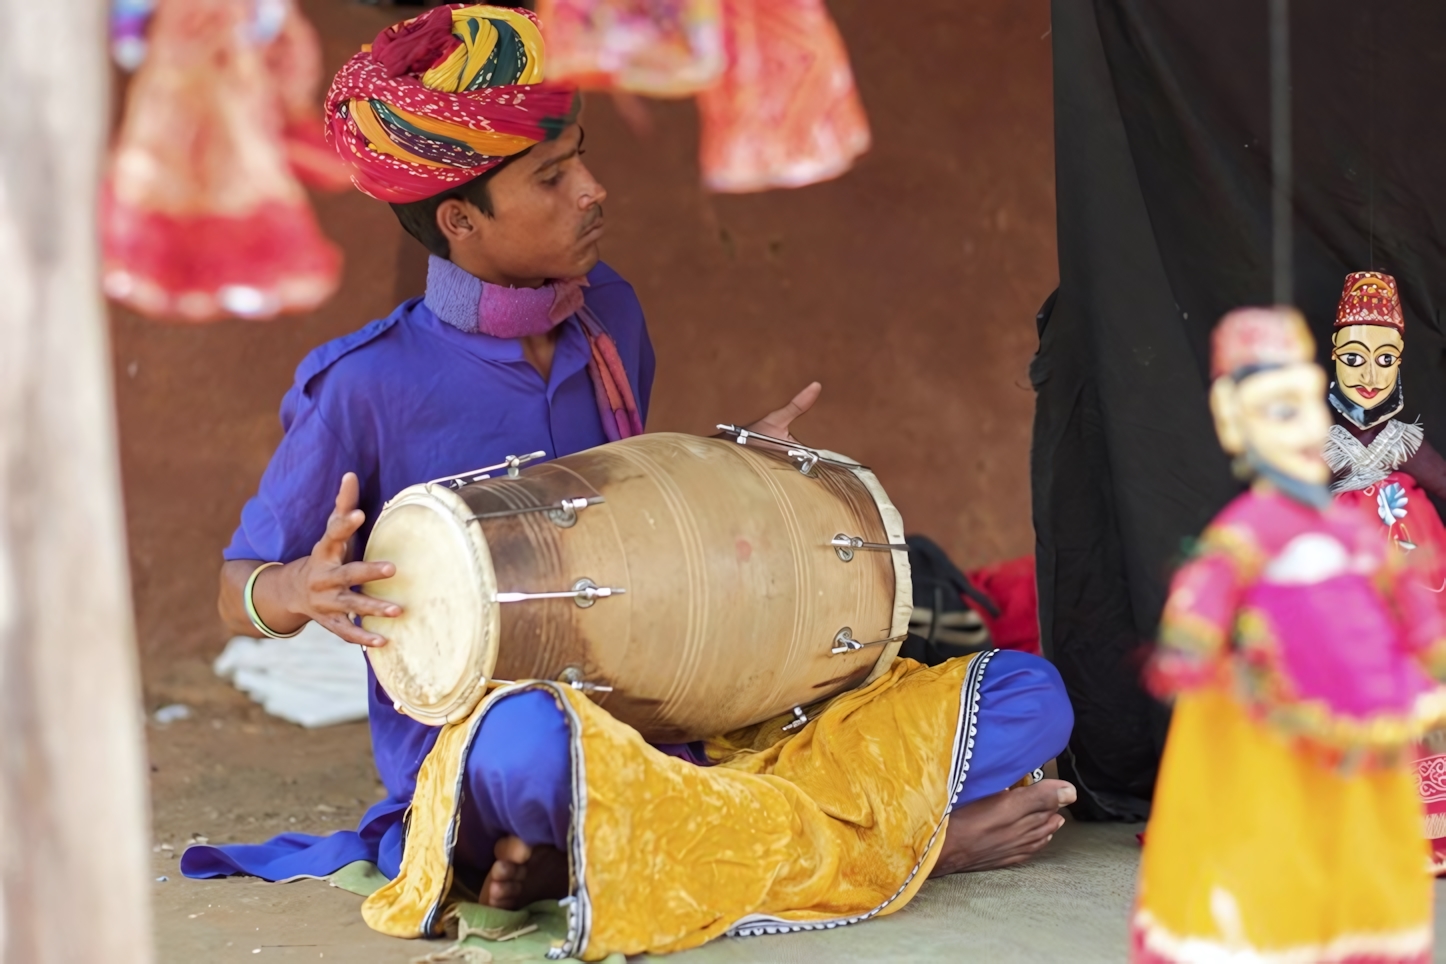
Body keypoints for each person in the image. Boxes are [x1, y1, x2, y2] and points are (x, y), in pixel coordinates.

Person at [182, 6, 1075, 957]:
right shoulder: (361, 386)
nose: (594, 191)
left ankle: (630, 843)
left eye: (583, 158)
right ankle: (900, 843)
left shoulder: (611, 317)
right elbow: (237, 591)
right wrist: (296, 590)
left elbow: (638, 530)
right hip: (496, 738)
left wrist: (746, 480)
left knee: (1028, 694)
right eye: (553, 177)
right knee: (534, 756)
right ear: (459, 219)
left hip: (678, 714)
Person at [1133, 306, 1445, 964]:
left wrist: (1431, 647)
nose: (1306, 429)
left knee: (1361, 809)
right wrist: (1194, 642)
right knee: (1277, 807)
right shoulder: (1255, 527)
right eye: (1281, 411)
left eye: (1304, 408)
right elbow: (1212, 581)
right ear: (1232, 421)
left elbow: (1396, 582)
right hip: (1278, 695)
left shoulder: (1351, 522)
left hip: (1360, 694)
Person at [1322, 270, 1446, 871]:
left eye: (1385, 357)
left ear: (1399, 363)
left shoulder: (1404, 441)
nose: (1369, 374)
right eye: (1354, 356)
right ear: (1334, 358)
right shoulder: (1320, 447)